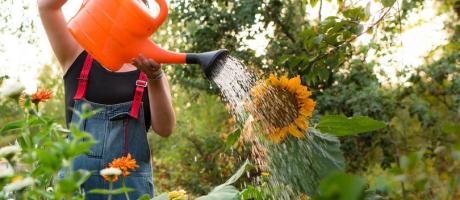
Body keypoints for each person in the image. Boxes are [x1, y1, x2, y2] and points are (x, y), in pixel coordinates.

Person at [37, 0, 176, 199]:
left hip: (129, 191)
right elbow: (46, 6)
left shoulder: (151, 71)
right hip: (75, 188)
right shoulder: (74, 53)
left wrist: (155, 78)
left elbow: (165, 129)